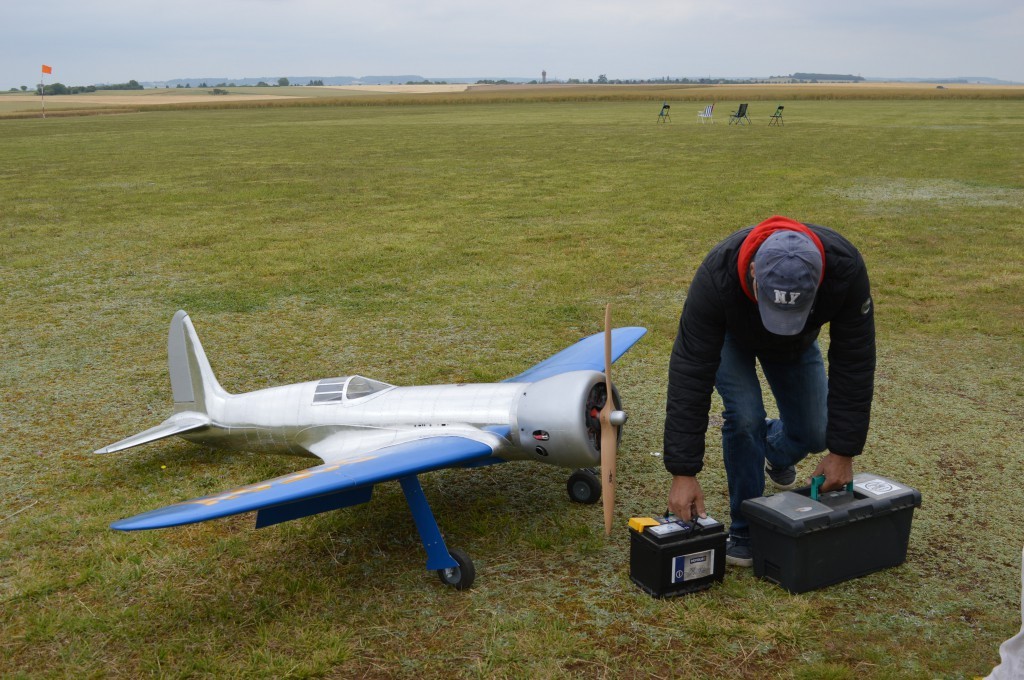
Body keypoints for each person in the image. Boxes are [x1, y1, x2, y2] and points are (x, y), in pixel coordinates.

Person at [663, 215, 875, 566]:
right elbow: (690, 373)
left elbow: (854, 361)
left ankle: (772, 450)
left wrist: (844, 451)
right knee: (746, 418)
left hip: (798, 343)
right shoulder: (718, 276)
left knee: (816, 432)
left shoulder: (845, 269)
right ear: (753, 278)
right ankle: (747, 527)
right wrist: (683, 472)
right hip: (730, 337)